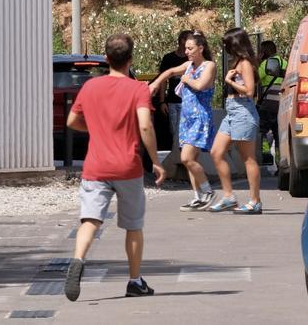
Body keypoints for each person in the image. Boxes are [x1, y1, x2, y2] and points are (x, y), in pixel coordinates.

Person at [63, 33, 166, 302]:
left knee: (91, 219)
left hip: (96, 166)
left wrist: (96, 128)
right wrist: (155, 161)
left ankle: (78, 260)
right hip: (127, 167)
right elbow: (145, 125)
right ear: (130, 60)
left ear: (106, 59)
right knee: (133, 225)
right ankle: (134, 280)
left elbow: (72, 121)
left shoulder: (91, 87)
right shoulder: (137, 89)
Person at [149, 31, 216, 211]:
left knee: (186, 158)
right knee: (190, 160)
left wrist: (186, 78)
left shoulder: (209, 66)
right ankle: (198, 197)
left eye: (190, 48)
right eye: (186, 48)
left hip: (200, 118)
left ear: (200, 48)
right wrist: (156, 84)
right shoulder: (188, 65)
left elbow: (201, 85)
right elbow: (170, 71)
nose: (186, 52)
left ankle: (208, 191)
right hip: (187, 118)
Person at [208, 28, 263, 214]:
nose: (225, 47)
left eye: (227, 44)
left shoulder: (245, 63)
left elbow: (249, 91)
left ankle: (255, 201)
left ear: (236, 44)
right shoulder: (238, 61)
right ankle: (229, 196)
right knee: (216, 152)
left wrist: (229, 82)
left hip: (243, 111)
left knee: (248, 158)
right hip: (232, 111)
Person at [156, 30, 192, 150]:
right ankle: (176, 155)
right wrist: (162, 101)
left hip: (187, 101)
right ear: (182, 41)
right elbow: (163, 81)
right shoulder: (169, 58)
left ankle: (183, 156)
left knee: (185, 132)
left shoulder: (191, 60)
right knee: (173, 131)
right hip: (172, 101)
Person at [256, 41, 286, 165]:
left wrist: (257, 62)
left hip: (267, 104)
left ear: (264, 52)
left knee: (262, 131)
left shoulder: (264, 64)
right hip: (282, 104)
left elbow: (255, 78)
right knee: (279, 135)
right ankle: (280, 163)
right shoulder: (285, 62)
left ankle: (266, 156)